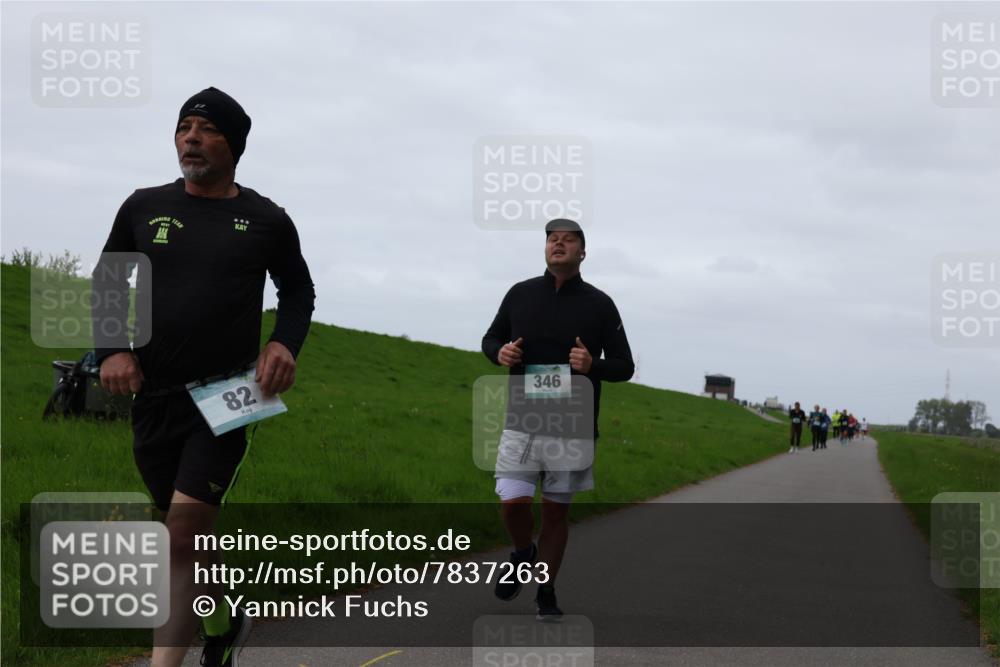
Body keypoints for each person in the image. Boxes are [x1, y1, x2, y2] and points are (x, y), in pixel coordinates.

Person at [93, 87, 316, 667]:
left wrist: (283, 342)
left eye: (206, 128)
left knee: (183, 533)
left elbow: (298, 290)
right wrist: (112, 350)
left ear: (234, 145)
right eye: (184, 126)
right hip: (154, 395)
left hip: (230, 393)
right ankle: (223, 616)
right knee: (185, 535)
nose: (191, 136)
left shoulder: (266, 219)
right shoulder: (142, 206)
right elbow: (110, 282)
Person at [482, 219, 634, 621]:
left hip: (573, 425)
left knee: (554, 512)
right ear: (545, 249)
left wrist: (592, 365)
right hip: (522, 420)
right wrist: (500, 353)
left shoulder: (600, 304)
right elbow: (490, 339)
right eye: (552, 239)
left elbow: (625, 366)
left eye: (568, 240)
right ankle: (522, 552)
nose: (559, 244)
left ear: (582, 253)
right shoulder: (520, 294)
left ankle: (545, 590)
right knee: (512, 504)